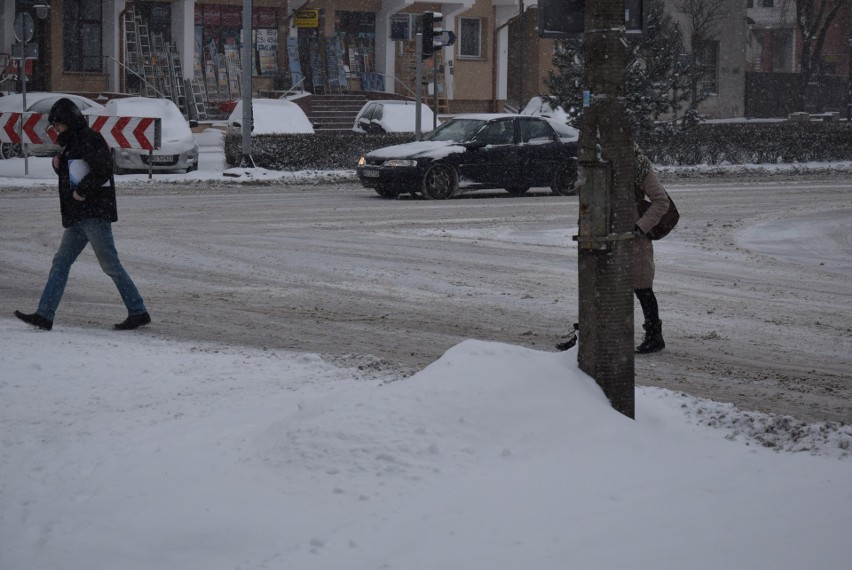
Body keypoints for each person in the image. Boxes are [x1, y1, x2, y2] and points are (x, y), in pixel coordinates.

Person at [14, 98, 150, 331]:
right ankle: (44, 315)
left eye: (57, 124)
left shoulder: (88, 138)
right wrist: (59, 166)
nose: (54, 128)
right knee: (61, 262)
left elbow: (103, 169)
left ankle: (138, 311)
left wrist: (83, 191)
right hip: (80, 215)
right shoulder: (72, 141)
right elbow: (77, 173)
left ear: (68, 121)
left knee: (110, 265)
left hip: (94, 214)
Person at [632, 145, 669, 353]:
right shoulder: (601, 160)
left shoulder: (639, 166)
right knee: (599, 287)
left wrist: (640, 226)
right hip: (606, 235)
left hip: (634, 238)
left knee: (642, 287)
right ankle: (587, 334)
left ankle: (655, 335)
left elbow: (661, 202)